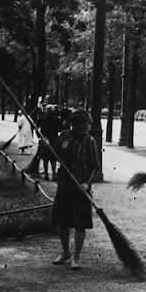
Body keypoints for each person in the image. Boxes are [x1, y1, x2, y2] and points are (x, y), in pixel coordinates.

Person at [48, 109, 99, 270]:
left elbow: (94, 167)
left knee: (80, 224)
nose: (84, 130)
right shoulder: (64, 136)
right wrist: (46, 146)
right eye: (81, 128)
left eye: (86, 127)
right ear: (73, 126)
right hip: (64, 184)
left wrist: (86, 183)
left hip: (81, 187)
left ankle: (76, 257)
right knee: (62, 221)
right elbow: (54, 154)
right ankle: (65, 252)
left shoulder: (90, 141)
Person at [39, 105, 62, 181]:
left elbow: (41, 130)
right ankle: (54, 174)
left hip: (46, 140)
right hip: (53, 141)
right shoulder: (55, 119)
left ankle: (46, 174)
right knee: (53, 159)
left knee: (46, 158)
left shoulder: (44, 119)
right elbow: (59, 128)